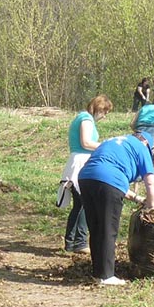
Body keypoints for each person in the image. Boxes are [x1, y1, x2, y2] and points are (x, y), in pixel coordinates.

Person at [78, 132, 154, 285]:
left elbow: (109, 179)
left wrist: (137, 198)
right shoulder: (141, 148)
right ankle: (107, 276)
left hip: (85, 178)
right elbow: (150, 182)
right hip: (108, 180)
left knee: (95, 228)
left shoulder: (112, 140)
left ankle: (98, 272)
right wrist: (151, 206)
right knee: (108, 229)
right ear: (147, 144)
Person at [60, 95, 113, 254]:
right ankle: (80, 242)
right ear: (98, 108)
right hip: (81, 163)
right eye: (104, 112)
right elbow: (86, 142)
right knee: (85, 204)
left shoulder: (82, 117)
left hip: (78, 162)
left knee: (80, 204)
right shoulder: (86, 119)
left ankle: (71, 242)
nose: (104, 116)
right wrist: (106, 146)